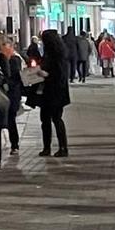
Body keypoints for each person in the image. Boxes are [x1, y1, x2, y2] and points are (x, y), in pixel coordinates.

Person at [35, 29, 72, 157]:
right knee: (45, 120)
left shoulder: (59, 55)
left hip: (56, 93)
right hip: (46, 93)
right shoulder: (49, 54)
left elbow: (60, 76)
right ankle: (46, 147)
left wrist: (46, 74)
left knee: (56, 119)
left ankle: (63, 147)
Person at [0, 30, 25, 163]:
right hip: (2, 93)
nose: (2, 48)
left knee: (11, 118)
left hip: (12, 93)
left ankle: (14, 144)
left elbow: (16, 77)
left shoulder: (14, 59)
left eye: (4, 45)